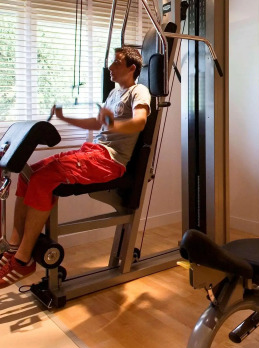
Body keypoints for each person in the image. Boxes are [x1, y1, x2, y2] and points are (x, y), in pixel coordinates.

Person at [0, 46, 151, 288]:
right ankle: (14, 248)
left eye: (116, 62)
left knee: (43, 179)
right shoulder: (114, 93)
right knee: (29, 174)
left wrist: (112, 125)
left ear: (132, 68)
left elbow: (139, 122)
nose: (110, 67)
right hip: (92, 151)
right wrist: (64, 117)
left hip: (110, 160)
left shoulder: (139, 91)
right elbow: (96, 123)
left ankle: (23, 260)